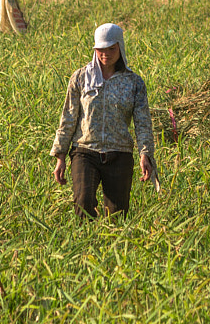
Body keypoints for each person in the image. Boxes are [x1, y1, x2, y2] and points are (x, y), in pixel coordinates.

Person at [50, 23, 155, 219]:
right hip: (85, 151)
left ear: (120, 48)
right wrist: (60, 155)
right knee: (83, 203)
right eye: (100, 49)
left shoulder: (133, 82)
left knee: (117, 215)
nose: (105, 54)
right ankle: (85, 245)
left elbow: (143, 123)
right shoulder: (80, 78)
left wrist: (145, 154)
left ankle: (109, 246)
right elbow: (68, 117)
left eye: (111, 49)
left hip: (119, 153)